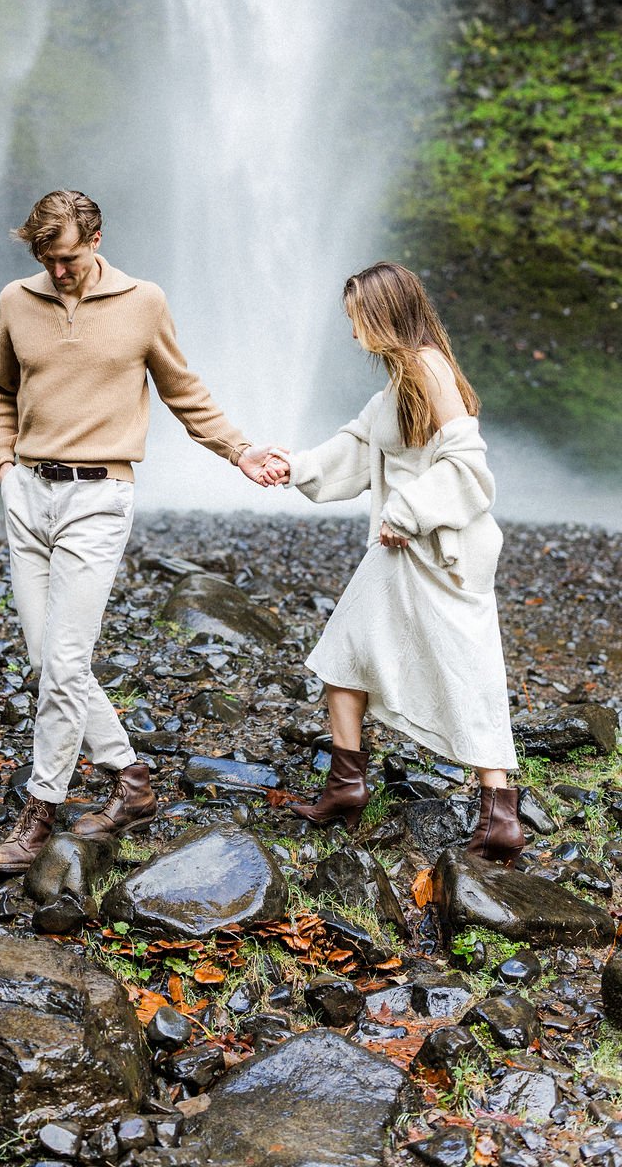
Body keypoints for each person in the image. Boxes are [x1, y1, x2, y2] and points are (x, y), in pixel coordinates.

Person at [0, 189, 275, 872]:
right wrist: (3, 462)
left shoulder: (144, 301)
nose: (58, 271)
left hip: (98, 495)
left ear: (96, 238)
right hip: (26, 492)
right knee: (48, 662)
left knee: (62, 663)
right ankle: (131, 780)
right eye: (46, 259)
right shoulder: (14, 300)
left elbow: (184, 392)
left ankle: (39, 811)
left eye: (68, 257)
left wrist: (240, 451)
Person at [264, 261, 523, 866]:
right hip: (403, 547)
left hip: (435, 548)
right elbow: (358, 448)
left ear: (383, 314)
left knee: (467, 668)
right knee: (344, 653)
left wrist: (408, 511)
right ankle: (348, 784)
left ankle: (499, 810)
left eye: (356, 316)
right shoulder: (398, 381)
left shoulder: (429, 366)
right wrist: (294, 466)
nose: (352, 330)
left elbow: (469, 465)